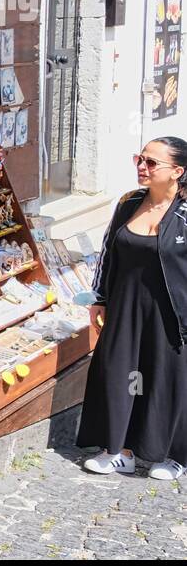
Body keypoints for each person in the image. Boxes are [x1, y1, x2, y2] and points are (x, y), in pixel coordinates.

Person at [78, 136, 187, 479]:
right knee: (121, 375)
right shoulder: (129, 202)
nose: (142, 166)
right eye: (140, 158)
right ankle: (119, 449)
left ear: (177, 171)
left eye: (152, 162)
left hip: (171, 313)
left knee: (164, 380)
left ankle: (170, 455)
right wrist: (99, 298)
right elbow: (108, 252)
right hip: (126, 307)